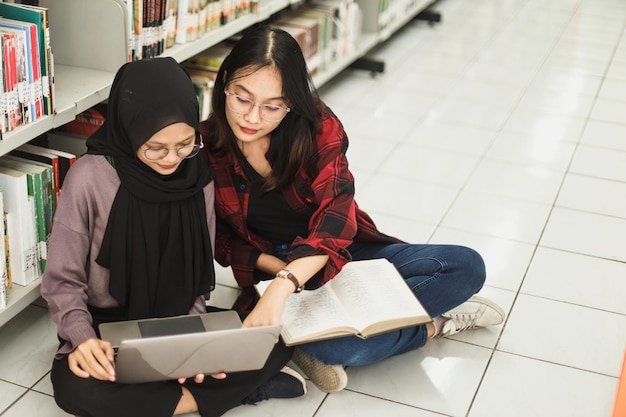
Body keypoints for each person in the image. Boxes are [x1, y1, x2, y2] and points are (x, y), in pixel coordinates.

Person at [200, 25, 506, 394]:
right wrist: (279, 275)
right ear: (224, 85)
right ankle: (431, 325)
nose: (251, 117)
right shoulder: (205, 148)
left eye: (272, 106)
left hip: (343, 253)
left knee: (465, 266)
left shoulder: (317, 126)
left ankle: (307, 342)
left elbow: (335, 216)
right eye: (241, 98)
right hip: (272, 270)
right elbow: (221, 240)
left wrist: (288, 283)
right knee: (342, 346)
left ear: (292, 102)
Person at [41, 57, 306, 417]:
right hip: (106, 326)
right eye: (156, 148)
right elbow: (62, 281)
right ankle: (231, 395)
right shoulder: (88, 178)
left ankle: (165, 396)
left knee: (275, 339)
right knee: (76, 388)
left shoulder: (199, 175)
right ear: (129, 129)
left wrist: (192, 340)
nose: (172, 159)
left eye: (185, 145)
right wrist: (83, 340)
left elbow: (198, 274)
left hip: (175, 318)